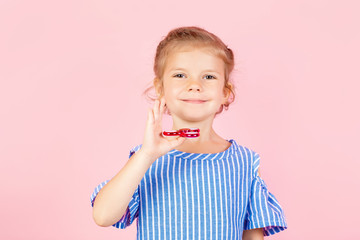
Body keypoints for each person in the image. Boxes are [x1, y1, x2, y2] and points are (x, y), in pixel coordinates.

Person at [90, 26, 288, 239]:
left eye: (209, 77)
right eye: (180, 75)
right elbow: (102, 216)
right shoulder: (145, 159)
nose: (194, 85)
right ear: (160, 88)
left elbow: (252, 235)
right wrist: (146, 155)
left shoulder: (245, 162)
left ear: (225, 92)